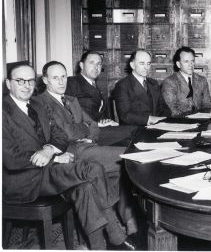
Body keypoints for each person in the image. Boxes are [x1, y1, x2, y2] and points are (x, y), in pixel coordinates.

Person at [2, 64, 136, 250]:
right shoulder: (3, 111)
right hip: (23, 179)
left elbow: (60, 135)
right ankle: (115, 233)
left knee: (87, 188)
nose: (26, 85)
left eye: (30, 80)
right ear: (8, 84)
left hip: (48, 171)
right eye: (20, 81)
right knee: (93, 168)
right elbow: (11, 158)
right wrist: (54, 158)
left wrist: (49, 149)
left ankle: (99, 246)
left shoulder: (36, 105)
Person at [35, 61, 137, 236]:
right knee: (129, 157)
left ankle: (125, 219)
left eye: (63, 77)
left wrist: (89, 135)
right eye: (55, 78)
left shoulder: (71, 100)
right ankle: (116, 220)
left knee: (119, 171)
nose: (61, 82)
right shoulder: (41, 103)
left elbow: (93, 124)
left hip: (88, 146)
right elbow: (65, 133)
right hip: (72, 152)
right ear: (45, 80)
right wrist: (83, 129)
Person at [113, 49, 170, 126]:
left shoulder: (154, 83)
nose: (146, 67)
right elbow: (125, 115)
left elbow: (164, 107)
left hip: (156, 128)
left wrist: (163, 120)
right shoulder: (122, 85)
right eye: (142, 63)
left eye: (148, 63)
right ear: (132, 65)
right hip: (134, 130)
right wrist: (150, 119)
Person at [65, 50, 117, 126]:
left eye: (99, 64)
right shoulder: (71, 82)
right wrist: (98, 124)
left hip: (98, 129)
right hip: (83, 132)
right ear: (82, 65)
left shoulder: (96, 87)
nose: (96, 67)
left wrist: (104, 121)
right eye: (91, 63)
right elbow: (68, 113)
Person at [161, 47, 211, 116]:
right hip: (180, 122)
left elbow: (207, 105)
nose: (190, 65)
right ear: (178, 64)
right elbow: (172, 109)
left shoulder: (202, 80)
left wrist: (203, 117)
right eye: (186, 61)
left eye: (192, 61)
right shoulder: (170, 82)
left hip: (201, 121)